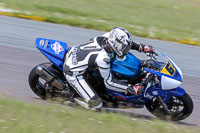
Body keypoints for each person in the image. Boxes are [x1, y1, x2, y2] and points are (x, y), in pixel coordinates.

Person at [63, 27, 154, 110]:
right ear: (115, 45)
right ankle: (73, 101)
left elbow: (126, 43)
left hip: (75, 53)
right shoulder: (103, 58)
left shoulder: (108, 37)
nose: (126, 50)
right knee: (96, 105)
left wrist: (141, 47)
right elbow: (109, 83)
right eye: (124, 48)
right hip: (73, 72)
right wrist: (130, 88)